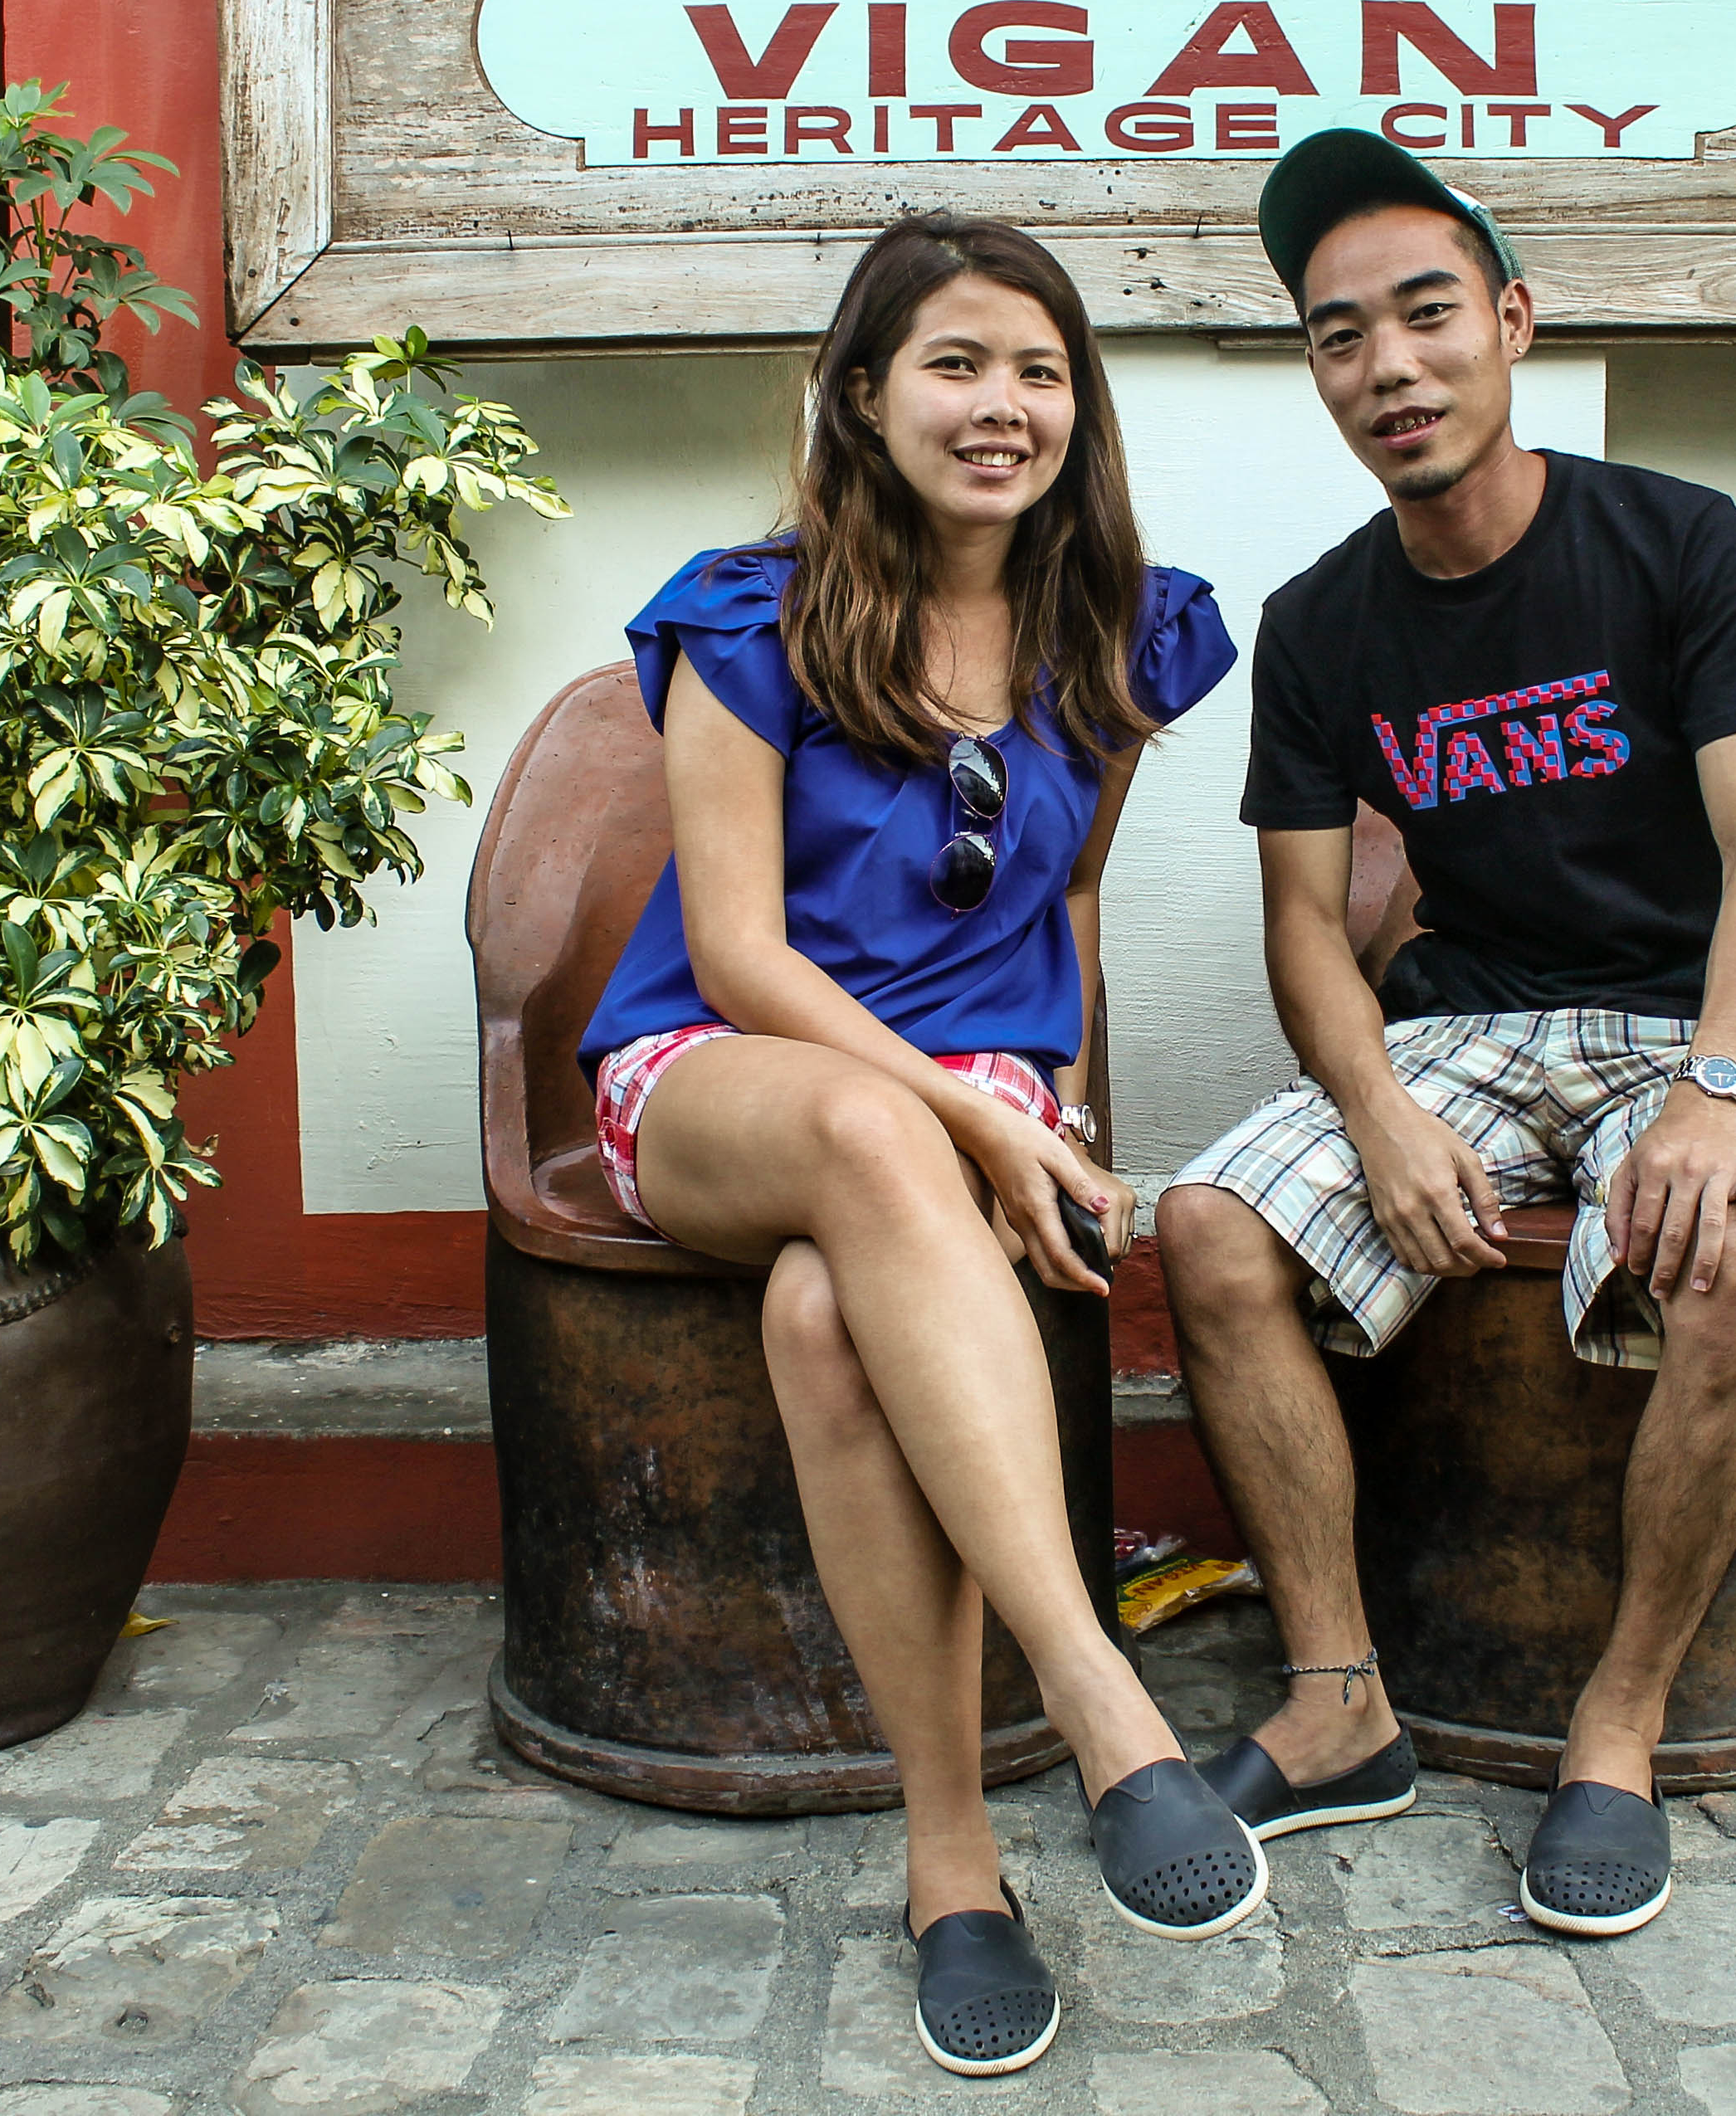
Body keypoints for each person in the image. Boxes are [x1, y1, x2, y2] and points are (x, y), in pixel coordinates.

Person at [576, 213, 1257, 2076]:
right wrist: (965, 1113)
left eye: (1039, 369)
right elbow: (739, 951)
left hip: (972, 1082)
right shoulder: (748, 617)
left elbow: (1069, 899)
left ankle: (950, 1861)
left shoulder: (1120, 629)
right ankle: (1101, 1698)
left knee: (825, 1320)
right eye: (955, 363)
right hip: (725, 1070)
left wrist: (1059, 1107)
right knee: (872, 1133)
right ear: (864, 395)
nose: (1000, 404)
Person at [1155, 133, 1736, 1939]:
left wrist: (1717, 1089)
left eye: (1426, 314)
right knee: (1207, 1228)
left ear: (1511, 323)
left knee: (1726, 1255)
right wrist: (1374, 1108)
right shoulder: (1318, 622)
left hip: (1680, 1024)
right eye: (1340, 337)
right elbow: (1304, 922)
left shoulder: (1675, 540)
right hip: (1461, 1026)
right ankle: (1337, 1699)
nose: (1389, 366)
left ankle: (1616, 1724)